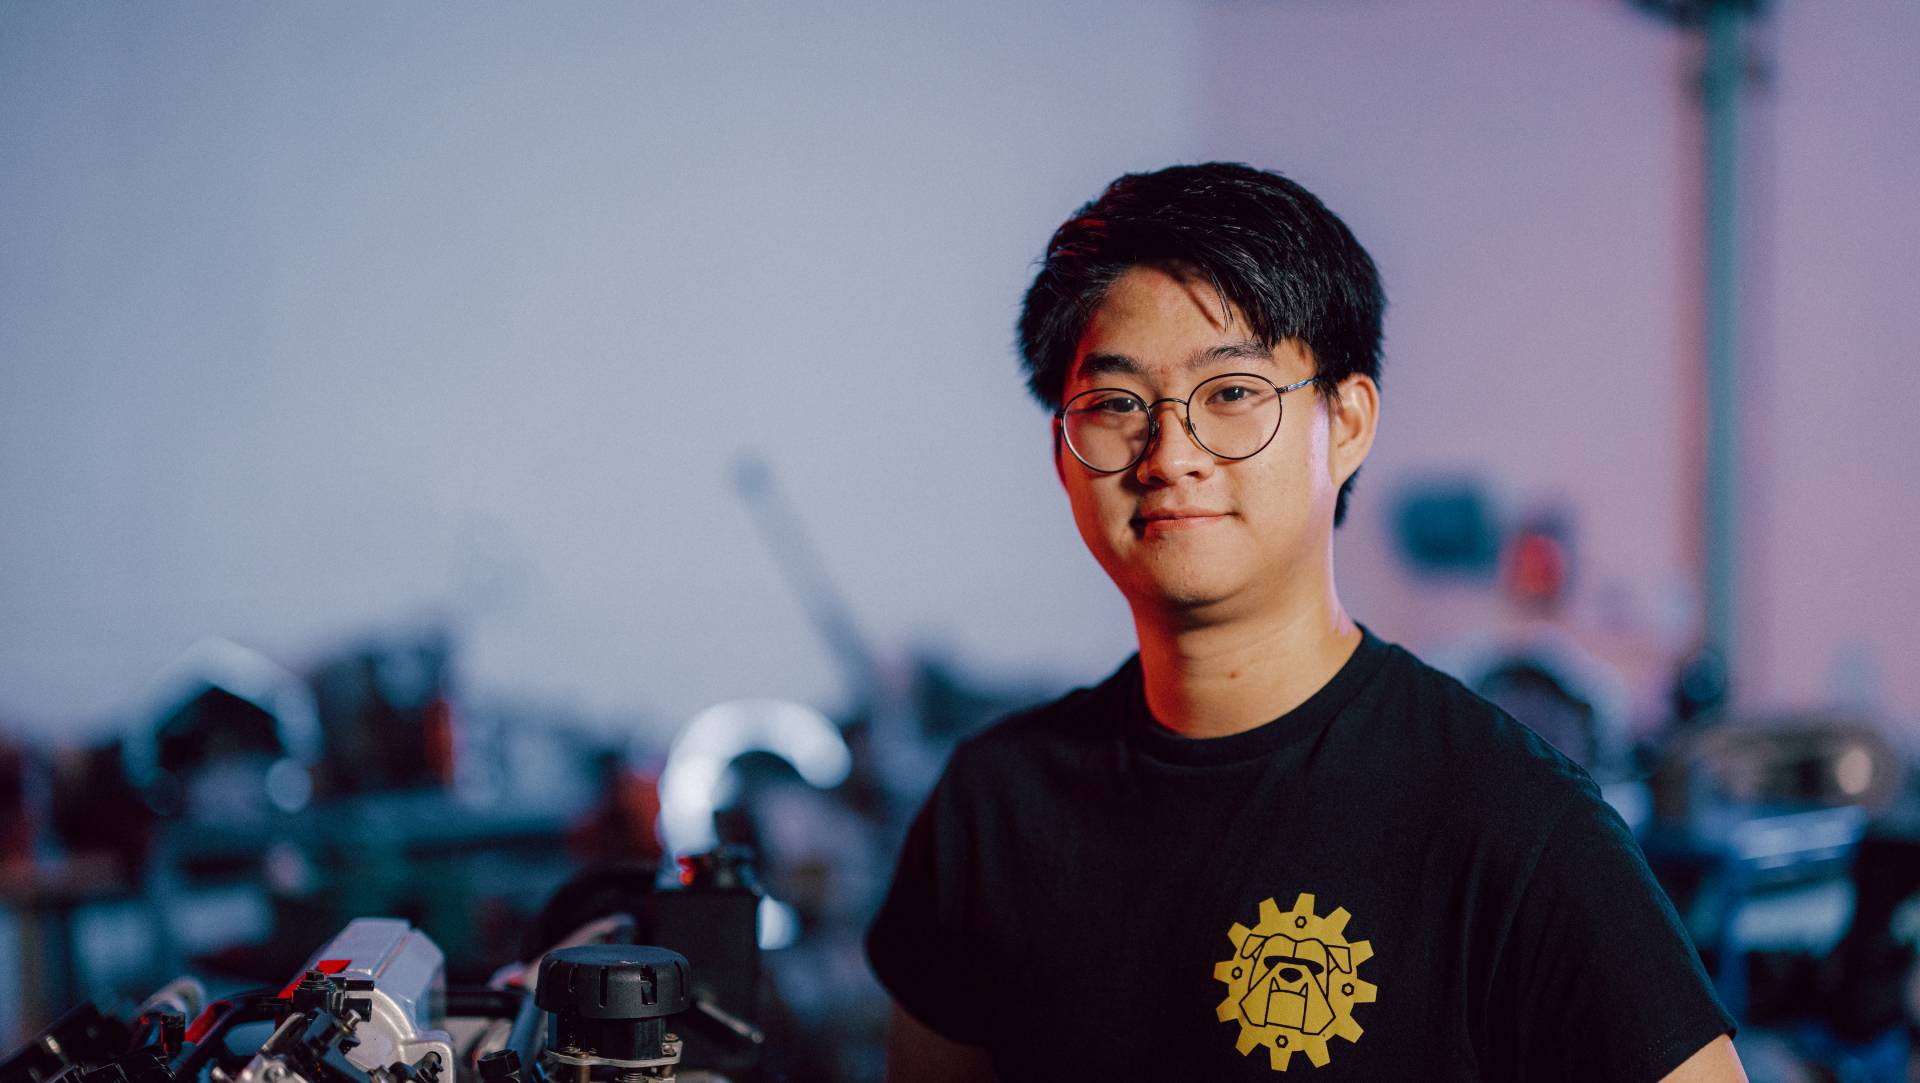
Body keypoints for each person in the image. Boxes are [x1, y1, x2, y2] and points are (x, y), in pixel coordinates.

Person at [864, 164, 1745, 1082]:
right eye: (1117, 404)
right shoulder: (995, 806)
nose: (1171, 454)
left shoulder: (1513, 825)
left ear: (1349, 420)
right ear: (1062, 449)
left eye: (1233, 393)